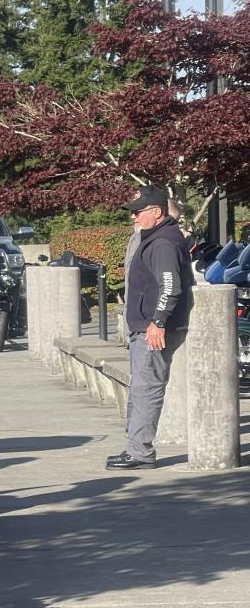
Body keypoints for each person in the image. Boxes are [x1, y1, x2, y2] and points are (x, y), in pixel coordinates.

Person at [106, 184, 194, 470]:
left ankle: (140, 452)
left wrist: (158, 321)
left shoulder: (163, 242)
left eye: (138, 211)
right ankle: (134, 447)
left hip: (153, 328)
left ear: (156, 212)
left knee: (146, 389)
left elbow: (170, 287)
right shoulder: (154, 236)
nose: (133, 216)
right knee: (140, 387)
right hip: (144, 326)